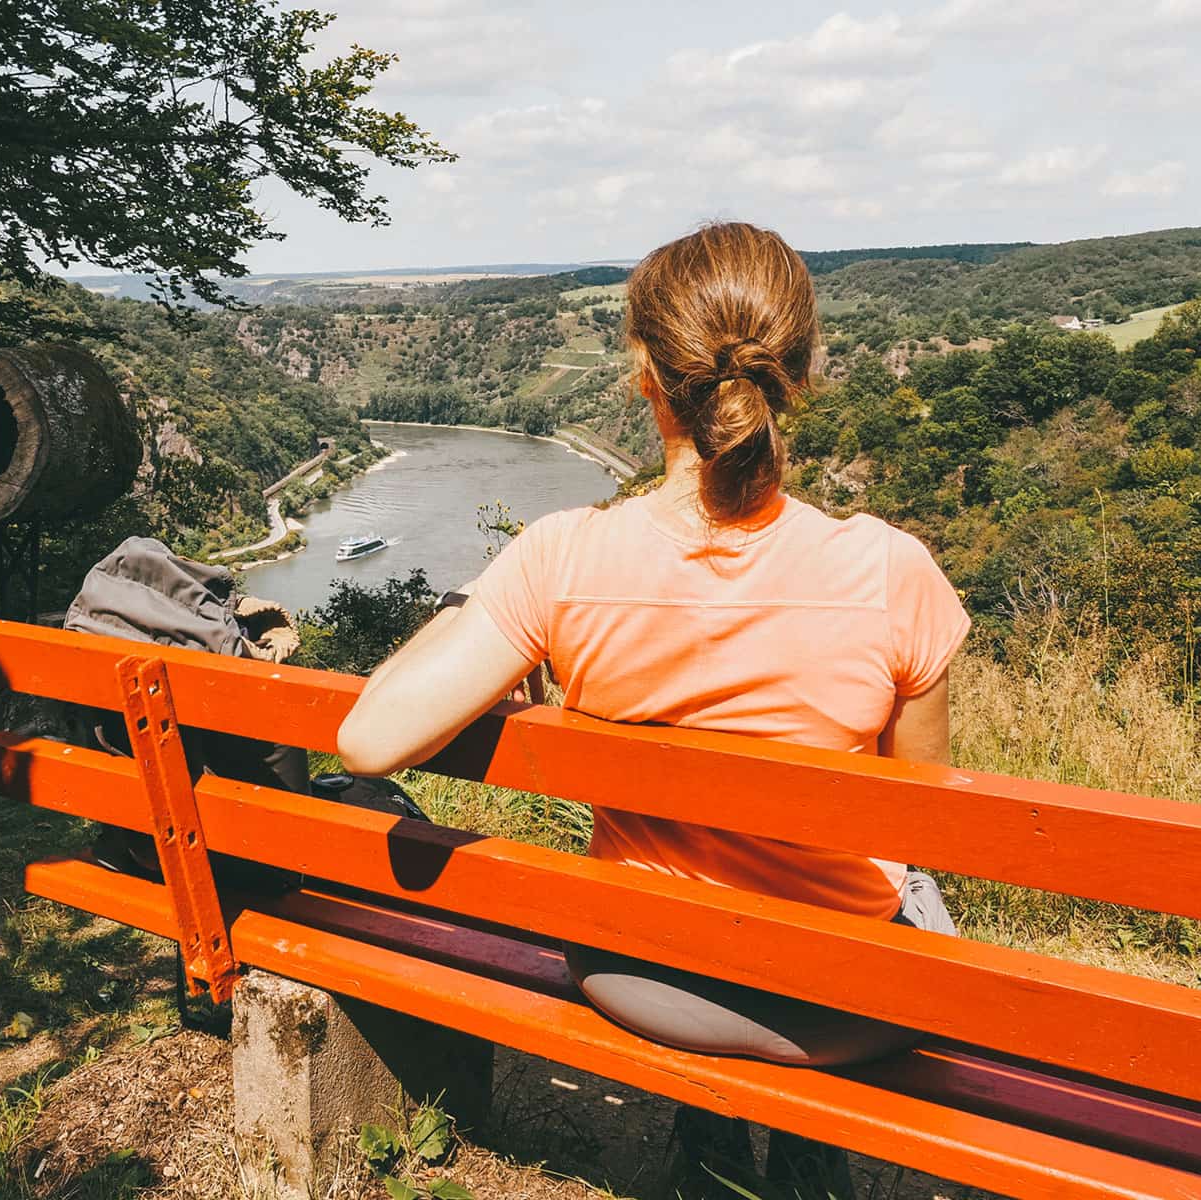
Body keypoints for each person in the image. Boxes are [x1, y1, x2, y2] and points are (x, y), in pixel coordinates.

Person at [335, 221, 970, 1197]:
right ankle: (804, 1157)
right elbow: (921, 814)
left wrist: (485, 605)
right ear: (801, 367)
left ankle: (710, 1148)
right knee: (918, 904)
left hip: (639, 978)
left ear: (642, 371)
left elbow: (368, 739)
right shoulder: (889, 572)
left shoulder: (563, 561)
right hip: (843, 1009)